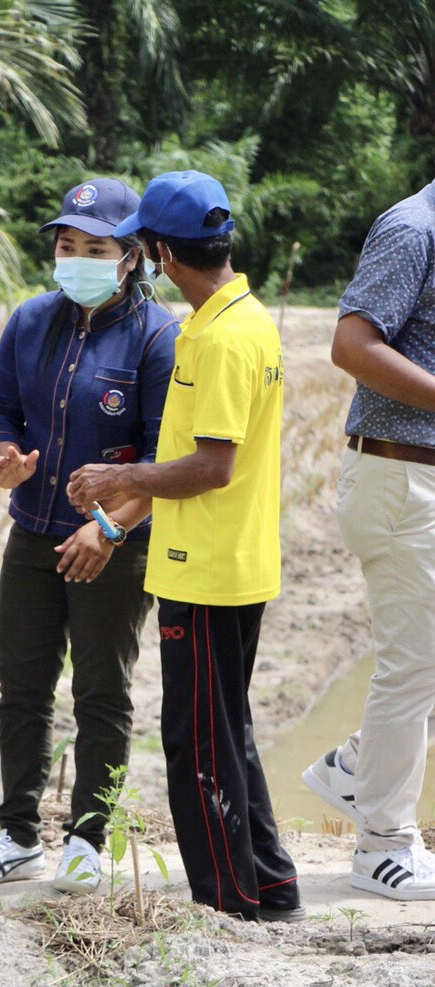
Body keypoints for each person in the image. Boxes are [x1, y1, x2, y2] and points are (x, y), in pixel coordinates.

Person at [67, 170, 301, 921]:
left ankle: (225, 903)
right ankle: (270, 881)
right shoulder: (233, 318)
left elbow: (213, 464)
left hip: (205, 570)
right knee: (227, 729)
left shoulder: (226, 337)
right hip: (229, 561)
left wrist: (117, 477)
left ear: (161, 253)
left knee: (196, 743)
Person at [0, 179, 178, 893]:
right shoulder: (30, 321)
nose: (76, 257)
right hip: (34, 534)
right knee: (21, 685)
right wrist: (3, 456)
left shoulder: (158, 337)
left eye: (95, 248)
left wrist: (107, 528)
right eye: (66, 245)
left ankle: (88, 837)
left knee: (101, 692)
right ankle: (18, 832)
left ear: (131, 257)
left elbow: (160, 458)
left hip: (114, 544)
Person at [300, 175, 435, 901]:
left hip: (422, 476)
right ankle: (383, 843)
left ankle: (356, 767)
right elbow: (352, 345)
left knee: (424, 659)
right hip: (399, 478)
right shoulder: (414, 229)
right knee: (413, 663)